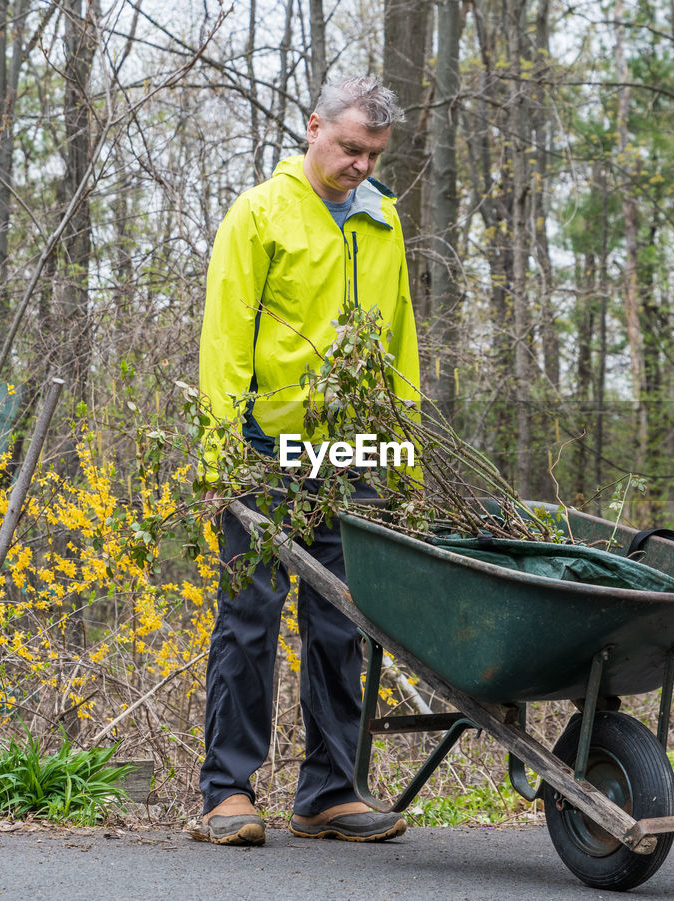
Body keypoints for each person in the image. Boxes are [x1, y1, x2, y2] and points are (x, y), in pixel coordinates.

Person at [193, 74, 420, 847]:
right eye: (351, 148)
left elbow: (399, 348)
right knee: (250, 617)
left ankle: (329, 789)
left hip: (351, 449)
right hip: (263, 444)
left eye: (374, 153)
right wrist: (220, 452)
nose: (361, 164)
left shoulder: (383, 221)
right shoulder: (260, 213)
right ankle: (227, 790)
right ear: (315, 127)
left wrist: (404, 457)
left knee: (340, 622)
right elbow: (224, 338)